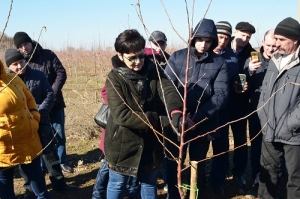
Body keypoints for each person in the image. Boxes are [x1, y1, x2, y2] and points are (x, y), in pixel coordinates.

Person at [104, 29, 186, 199]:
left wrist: (176, 111)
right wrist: (159, 120)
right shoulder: (114, 79)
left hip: (150, 141)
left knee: (149, 182)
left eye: (141, 56)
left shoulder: (153, 70)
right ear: (120, 56)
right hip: (122, 143)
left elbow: (168, 90)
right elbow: (122, 115)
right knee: (118, 184)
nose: (138, 62)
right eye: (131, 58)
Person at [164, 18, 229, 198]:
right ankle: (173, 191)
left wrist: (197, 118)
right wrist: (179, 115)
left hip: (204, 121)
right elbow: (166, 87)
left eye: (208, 41)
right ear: (193, 38)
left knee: (197, 161)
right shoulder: (177, 57)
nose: (203, 44)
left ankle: (195, 192)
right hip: (177, 120)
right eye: (200, 40)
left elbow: (220, 95)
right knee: (174, 160)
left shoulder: (219, 63)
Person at [4, 49, 77, 198]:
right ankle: (29, 190)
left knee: (50, 154)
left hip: (41, 122)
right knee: (27, 160)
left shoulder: (38, 75)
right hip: (22, 129)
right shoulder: (7, 82)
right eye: (14, 64)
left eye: (21, 62)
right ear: (9, 66)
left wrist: (38, 113)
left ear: (26, 61)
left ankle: (58, 183)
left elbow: (49, 94)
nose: (19, 66)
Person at [12, 32, 73, 173]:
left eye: (25, 44)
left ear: (31, 42)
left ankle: (61, 162)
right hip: (34, 109)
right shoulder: (21, 62)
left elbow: (61, 73)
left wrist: (52, 93)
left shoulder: (48, 55)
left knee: (59, 135)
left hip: (55, 103)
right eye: (20, 46)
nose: (24, 48)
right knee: (39, 136)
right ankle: (43, 166)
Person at [257, 17, 300, 199]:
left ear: (295, 40)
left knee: (295, 180)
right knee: (267, 176)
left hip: (294, 134)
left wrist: (291, 124)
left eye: (282, 40)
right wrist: (263, 115)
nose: (276, 44)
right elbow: (265, 92)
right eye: (276, 39)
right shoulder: (274, 60)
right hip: (270, 129)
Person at [0, 60, 50, 199]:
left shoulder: (13, 79)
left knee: (37, 178)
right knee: (5, 183)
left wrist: (35, 117)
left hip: (29, 140)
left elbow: (30, 99)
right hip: (4, 147)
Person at [243, 30, 276, 198]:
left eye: (274, 46)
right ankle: (256, 181)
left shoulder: (282, 60)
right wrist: (249, 71)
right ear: (262, 42)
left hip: (276, 113)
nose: (271, 49)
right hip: (256, 111)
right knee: (256, 148)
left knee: (274, 149)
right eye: (268, 45)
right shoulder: (253, 58)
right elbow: (241, 83)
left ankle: (273, 182)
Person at [92, 85, 139, 199]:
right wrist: (120, 106)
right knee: (107, 164)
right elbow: (105, 91)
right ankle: (97, 194)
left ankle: (132, 192)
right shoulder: (117, 71)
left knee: (135, 161)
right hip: (115, 130)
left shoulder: (146, 71)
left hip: (136, 127)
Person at [210, 21, 239, 196]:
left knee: (221, 147)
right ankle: (196, 179)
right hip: (204, 109)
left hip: (224, 109)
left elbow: (235, 78)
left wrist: (238, 86)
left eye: (227, 38)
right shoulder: (202, 52)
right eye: (220, 37)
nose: (223, 41)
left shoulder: (231, 55)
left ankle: (217, 180)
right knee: (201, 147)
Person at [226, 21, 256, 189]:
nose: (245, 39)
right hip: (222, 102)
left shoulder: (252, 53)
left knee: (240, 141)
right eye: (242, 34)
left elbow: (252, 77)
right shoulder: (222, 48)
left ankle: (239, 172)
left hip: (240, 103)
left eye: (248, 36)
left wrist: (250, 72)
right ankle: (220, 172)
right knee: (220, 141)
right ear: (235, 32)